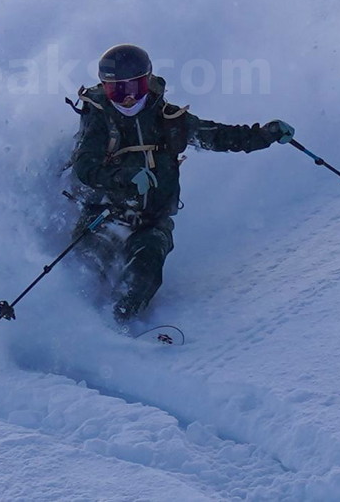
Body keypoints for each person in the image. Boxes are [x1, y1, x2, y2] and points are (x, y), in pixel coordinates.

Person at [67, 43, 294, 323]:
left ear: (147, 82)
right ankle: (73, 320)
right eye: (117, 90)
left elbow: (218, 136)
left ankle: (117, 325)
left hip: (151, 222)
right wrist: (125, 178)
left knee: (145, 273)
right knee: (85, 270)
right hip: (103, 214)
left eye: (134, 88)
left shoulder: (168, 119)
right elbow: (85, 167)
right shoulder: (99, 119)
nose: (126, 99)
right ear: (105, 87)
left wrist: (264, 135)